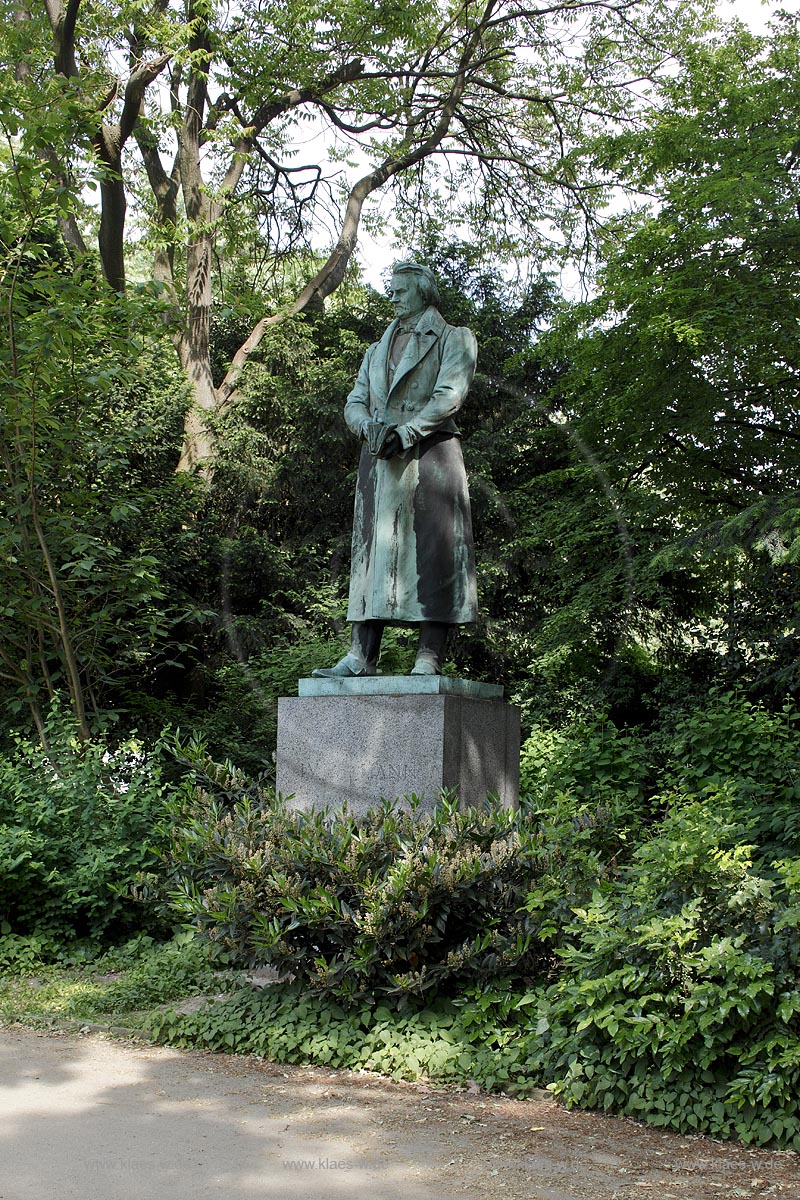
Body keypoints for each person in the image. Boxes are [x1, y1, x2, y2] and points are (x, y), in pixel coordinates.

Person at [314, 262, 479, 678]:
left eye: (401, 290)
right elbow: (355, 401)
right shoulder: (375, 349)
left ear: (424, 292)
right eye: (391, 289)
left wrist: (406, 432)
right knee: (371, 557)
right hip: (380, 462)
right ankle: (360, 656)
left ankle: (428, 655)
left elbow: (450, 396)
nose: (393, 297)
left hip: (431, 455)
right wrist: (367, 425)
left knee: (434, 552)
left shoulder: (453, 338)